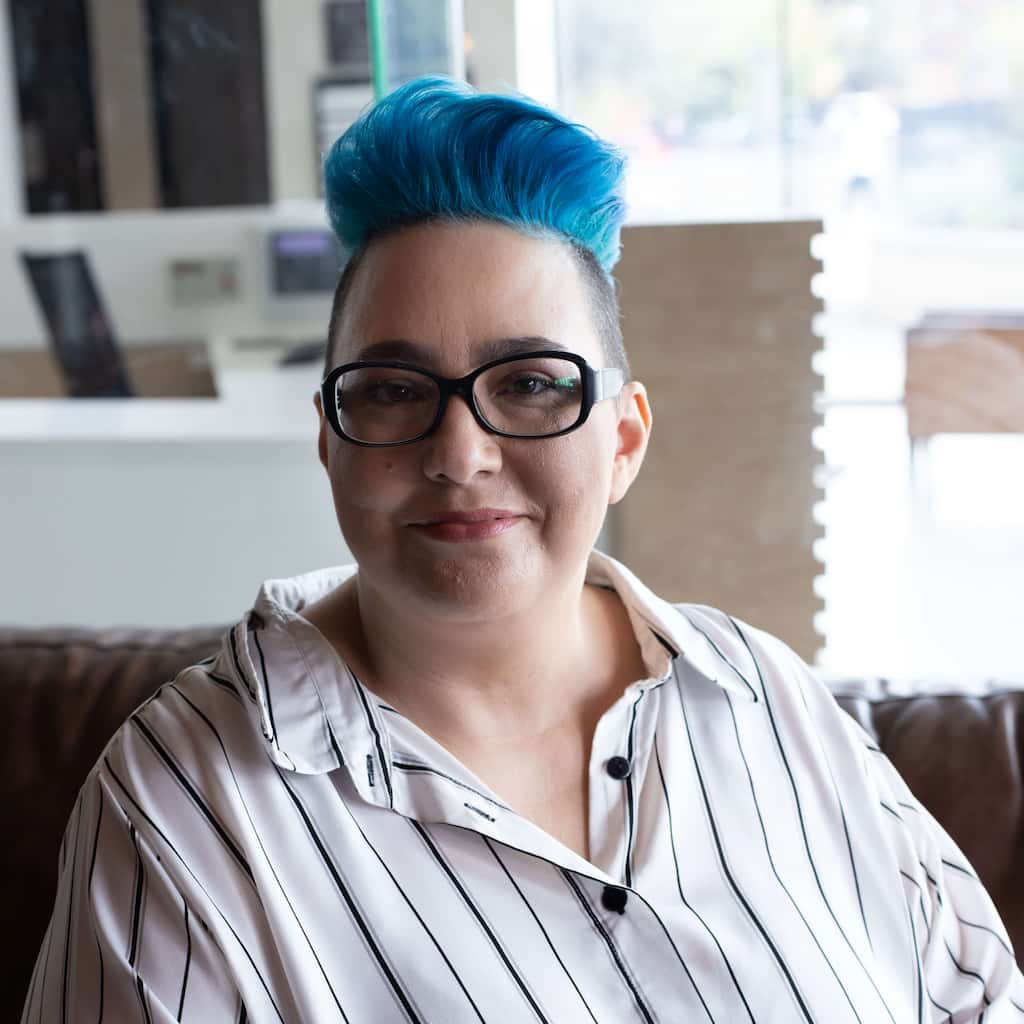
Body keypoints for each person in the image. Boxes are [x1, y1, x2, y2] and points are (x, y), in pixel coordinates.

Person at [23, 76, 1023, 1023]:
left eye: (533, 384)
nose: (460, 455)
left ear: (623, 437)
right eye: (393, 389)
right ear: (330, 437)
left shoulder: (768, 698)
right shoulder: (184, 804)